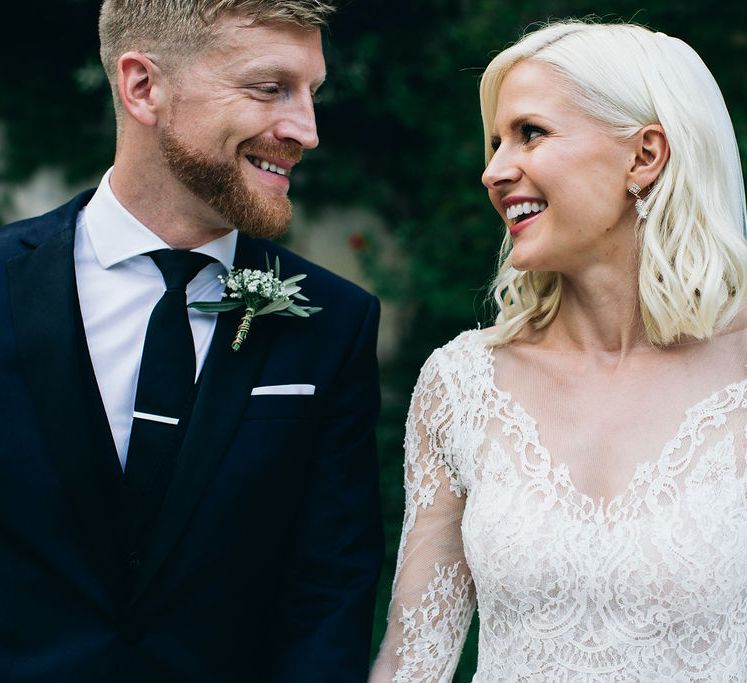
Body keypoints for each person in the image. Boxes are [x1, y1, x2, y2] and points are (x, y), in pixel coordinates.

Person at [0, 1, 383, 681]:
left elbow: (328, 594)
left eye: (311, 93)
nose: (306, 129)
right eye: (271, 88)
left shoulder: (334, 323)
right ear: (143, 86)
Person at [370, 19, 747, 681]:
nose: (493, 171)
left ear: (644, 156)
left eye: (530, 133)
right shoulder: (461, 382)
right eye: (493, 142)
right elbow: (413, 661)